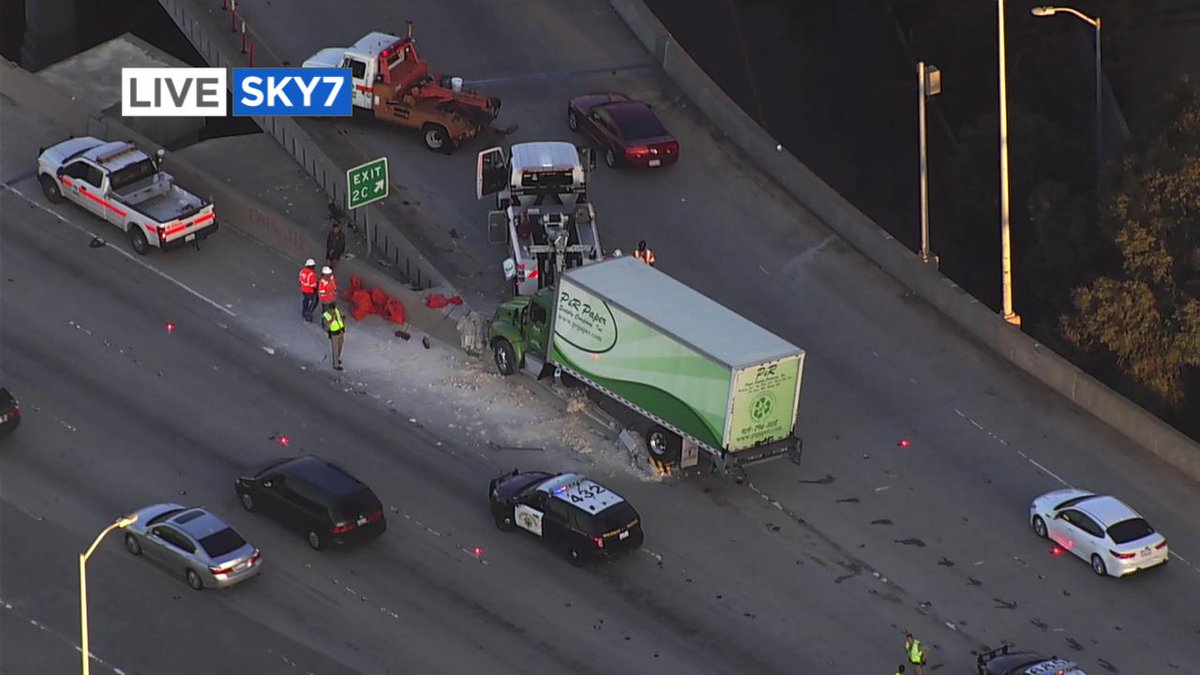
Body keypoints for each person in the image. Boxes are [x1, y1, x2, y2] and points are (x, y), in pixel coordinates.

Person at [321, 302, 346, 371]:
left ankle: (337, 358)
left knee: (340, 347)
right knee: (335, 348)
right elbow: (327, 327)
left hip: (341, 331)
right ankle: (336, 365)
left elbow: (340, 318)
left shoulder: (337, 310)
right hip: (334, 334)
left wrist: (343, 320)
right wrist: (332, 320)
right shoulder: (326, 314)